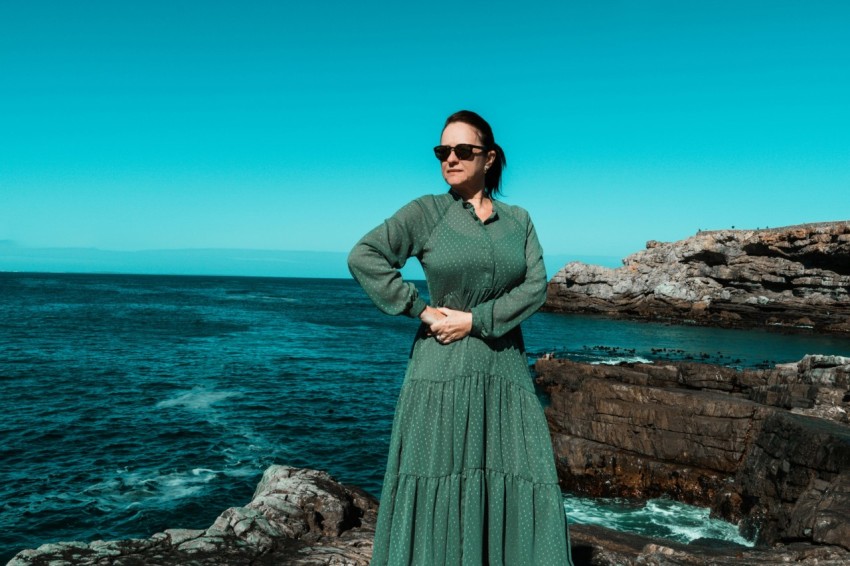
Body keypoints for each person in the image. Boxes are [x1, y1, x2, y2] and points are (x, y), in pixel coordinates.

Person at [348, 110, 574, 565]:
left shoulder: (519, 220)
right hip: (442, 368)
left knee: (521, 469)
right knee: (441, 474)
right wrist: (421, 309)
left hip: (504, 368)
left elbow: (536, 287)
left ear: (488, 158)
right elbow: (364, 256)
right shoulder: (427, 212)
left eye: (462, 150)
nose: (450, 158)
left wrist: (475, 320)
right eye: (442, 151)